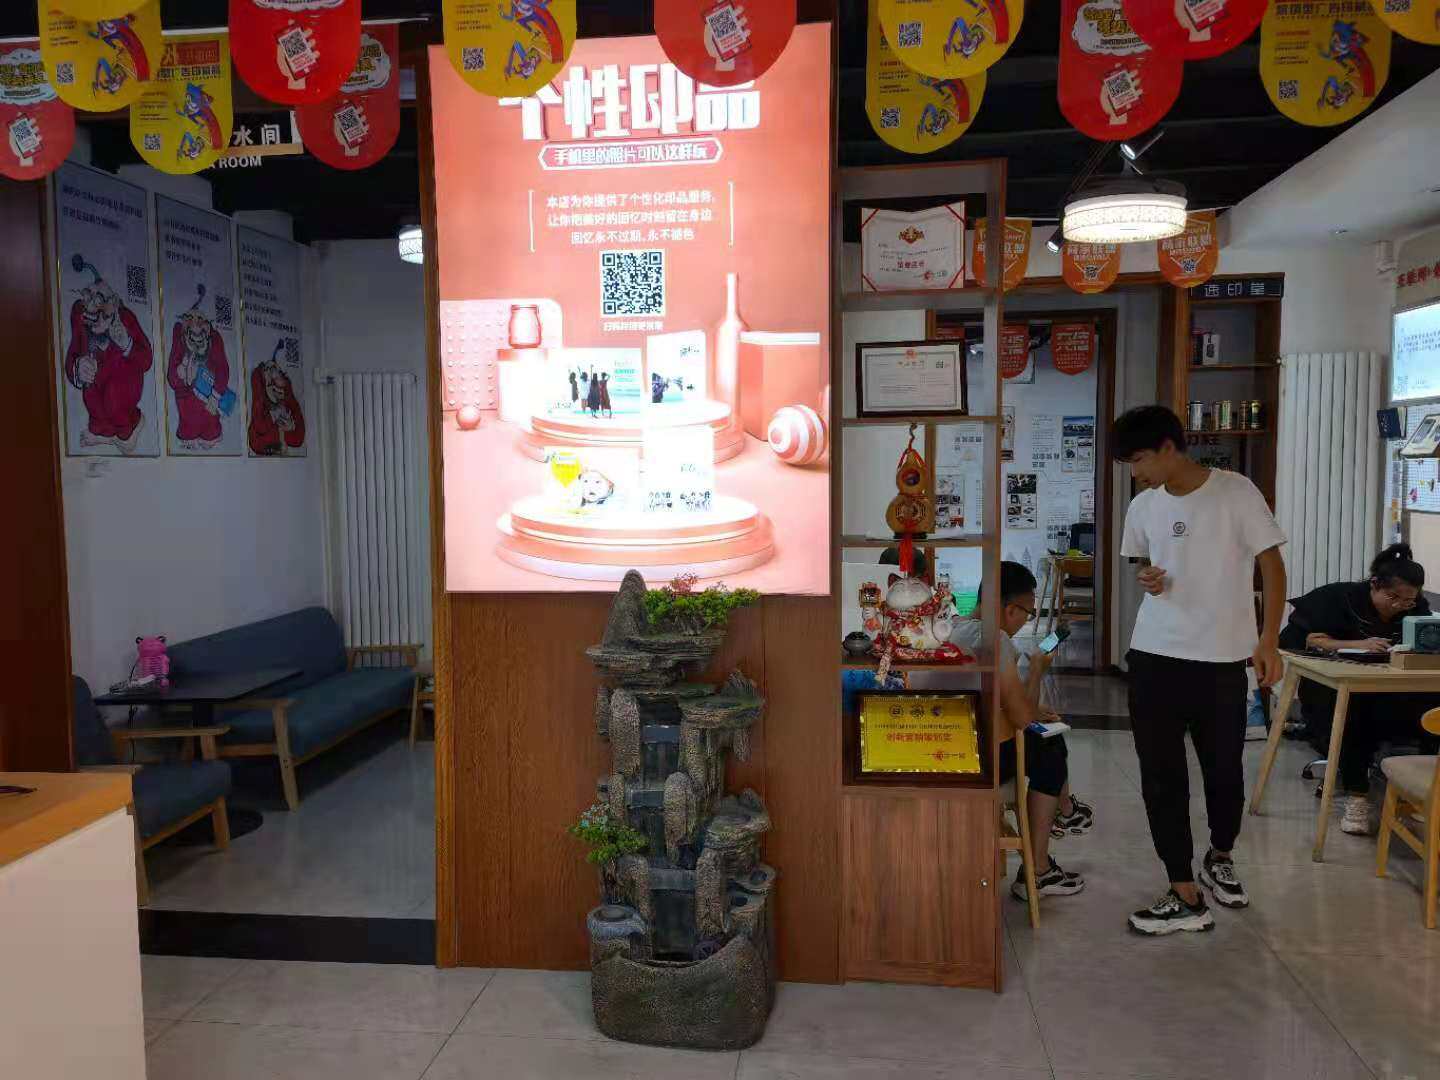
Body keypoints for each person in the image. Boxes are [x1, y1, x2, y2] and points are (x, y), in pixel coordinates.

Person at [1114, 405, 1287, 935]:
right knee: (1160, 777)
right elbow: (1143, 564)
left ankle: (1220, 855)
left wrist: (1269, 639)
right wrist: (1149, 577)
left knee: (1224, 772)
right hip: (1154, 656)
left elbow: (1272, 566)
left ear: (1169, 447)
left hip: (1221, 660)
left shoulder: (1236, 492)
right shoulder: (1143, 506)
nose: (1136, 472)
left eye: (1140, 459)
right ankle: (1182, 888)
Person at [951, 561, 1095, 902]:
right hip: (982, 758)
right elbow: (1022, 718)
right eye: (1028, 614)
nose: (1025, 622)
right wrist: (1036, 671)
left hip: (954, 746)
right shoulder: (997, 640)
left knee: (1047, 740)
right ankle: (1039, 868)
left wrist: (1029, 708)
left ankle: (1066, 812)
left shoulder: (954, 628)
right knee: (1051, 749)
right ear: (1009, 609)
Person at [1280, 543, 1440, 835]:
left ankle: (1420, 793)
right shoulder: (1337, 599)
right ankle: (1357, 797)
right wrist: (1357, 645)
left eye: (1408, 601)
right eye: (1392, 597)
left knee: (1432, 708)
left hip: (1391, 688)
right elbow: (1307, 640)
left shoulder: (1414, 608)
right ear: (1374, 584)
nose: (1399, 605)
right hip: (1332, 688)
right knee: (1357, 710)